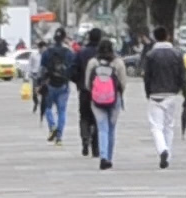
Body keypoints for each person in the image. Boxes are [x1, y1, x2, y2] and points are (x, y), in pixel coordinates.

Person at [141, 26, 186, 169]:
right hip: (172, 94)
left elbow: (146, 76)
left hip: (155, 94)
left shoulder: (150, 55)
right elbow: (182, 75)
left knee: (156, 126)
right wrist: (185, 92)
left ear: (155, 37)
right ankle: (168, 153)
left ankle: (162, 150)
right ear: (167, 36)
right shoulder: (177, 54)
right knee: (169, 126)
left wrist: (148, 92)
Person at [83, 38, 128, 170]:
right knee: (111, 128)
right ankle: (109, 157)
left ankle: (102, 156)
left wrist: (95, 92)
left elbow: (87, 83)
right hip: (114, 99)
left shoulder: (93, 63)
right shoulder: (118, 63)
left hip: (97, 100)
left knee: (102, 127)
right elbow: (123, 82)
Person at [39, 31, 74, 145]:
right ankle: (59, 136)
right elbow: (72, 68)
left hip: (50, 84)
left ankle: (52, 126)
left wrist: (40, 82)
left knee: (48, 108)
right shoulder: (68, 53)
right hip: (63, 85)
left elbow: (42, 69)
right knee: (62, 111)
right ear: (64, 38)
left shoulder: (47, 52)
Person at [73, 29, 102, 157]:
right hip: (101, 92)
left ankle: (85, 139)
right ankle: (96, 148)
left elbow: (72, 71)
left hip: (84, 90)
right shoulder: (103, 53)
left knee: (84, 116)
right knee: (97, 118)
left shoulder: (81, 53)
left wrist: (79, 82)